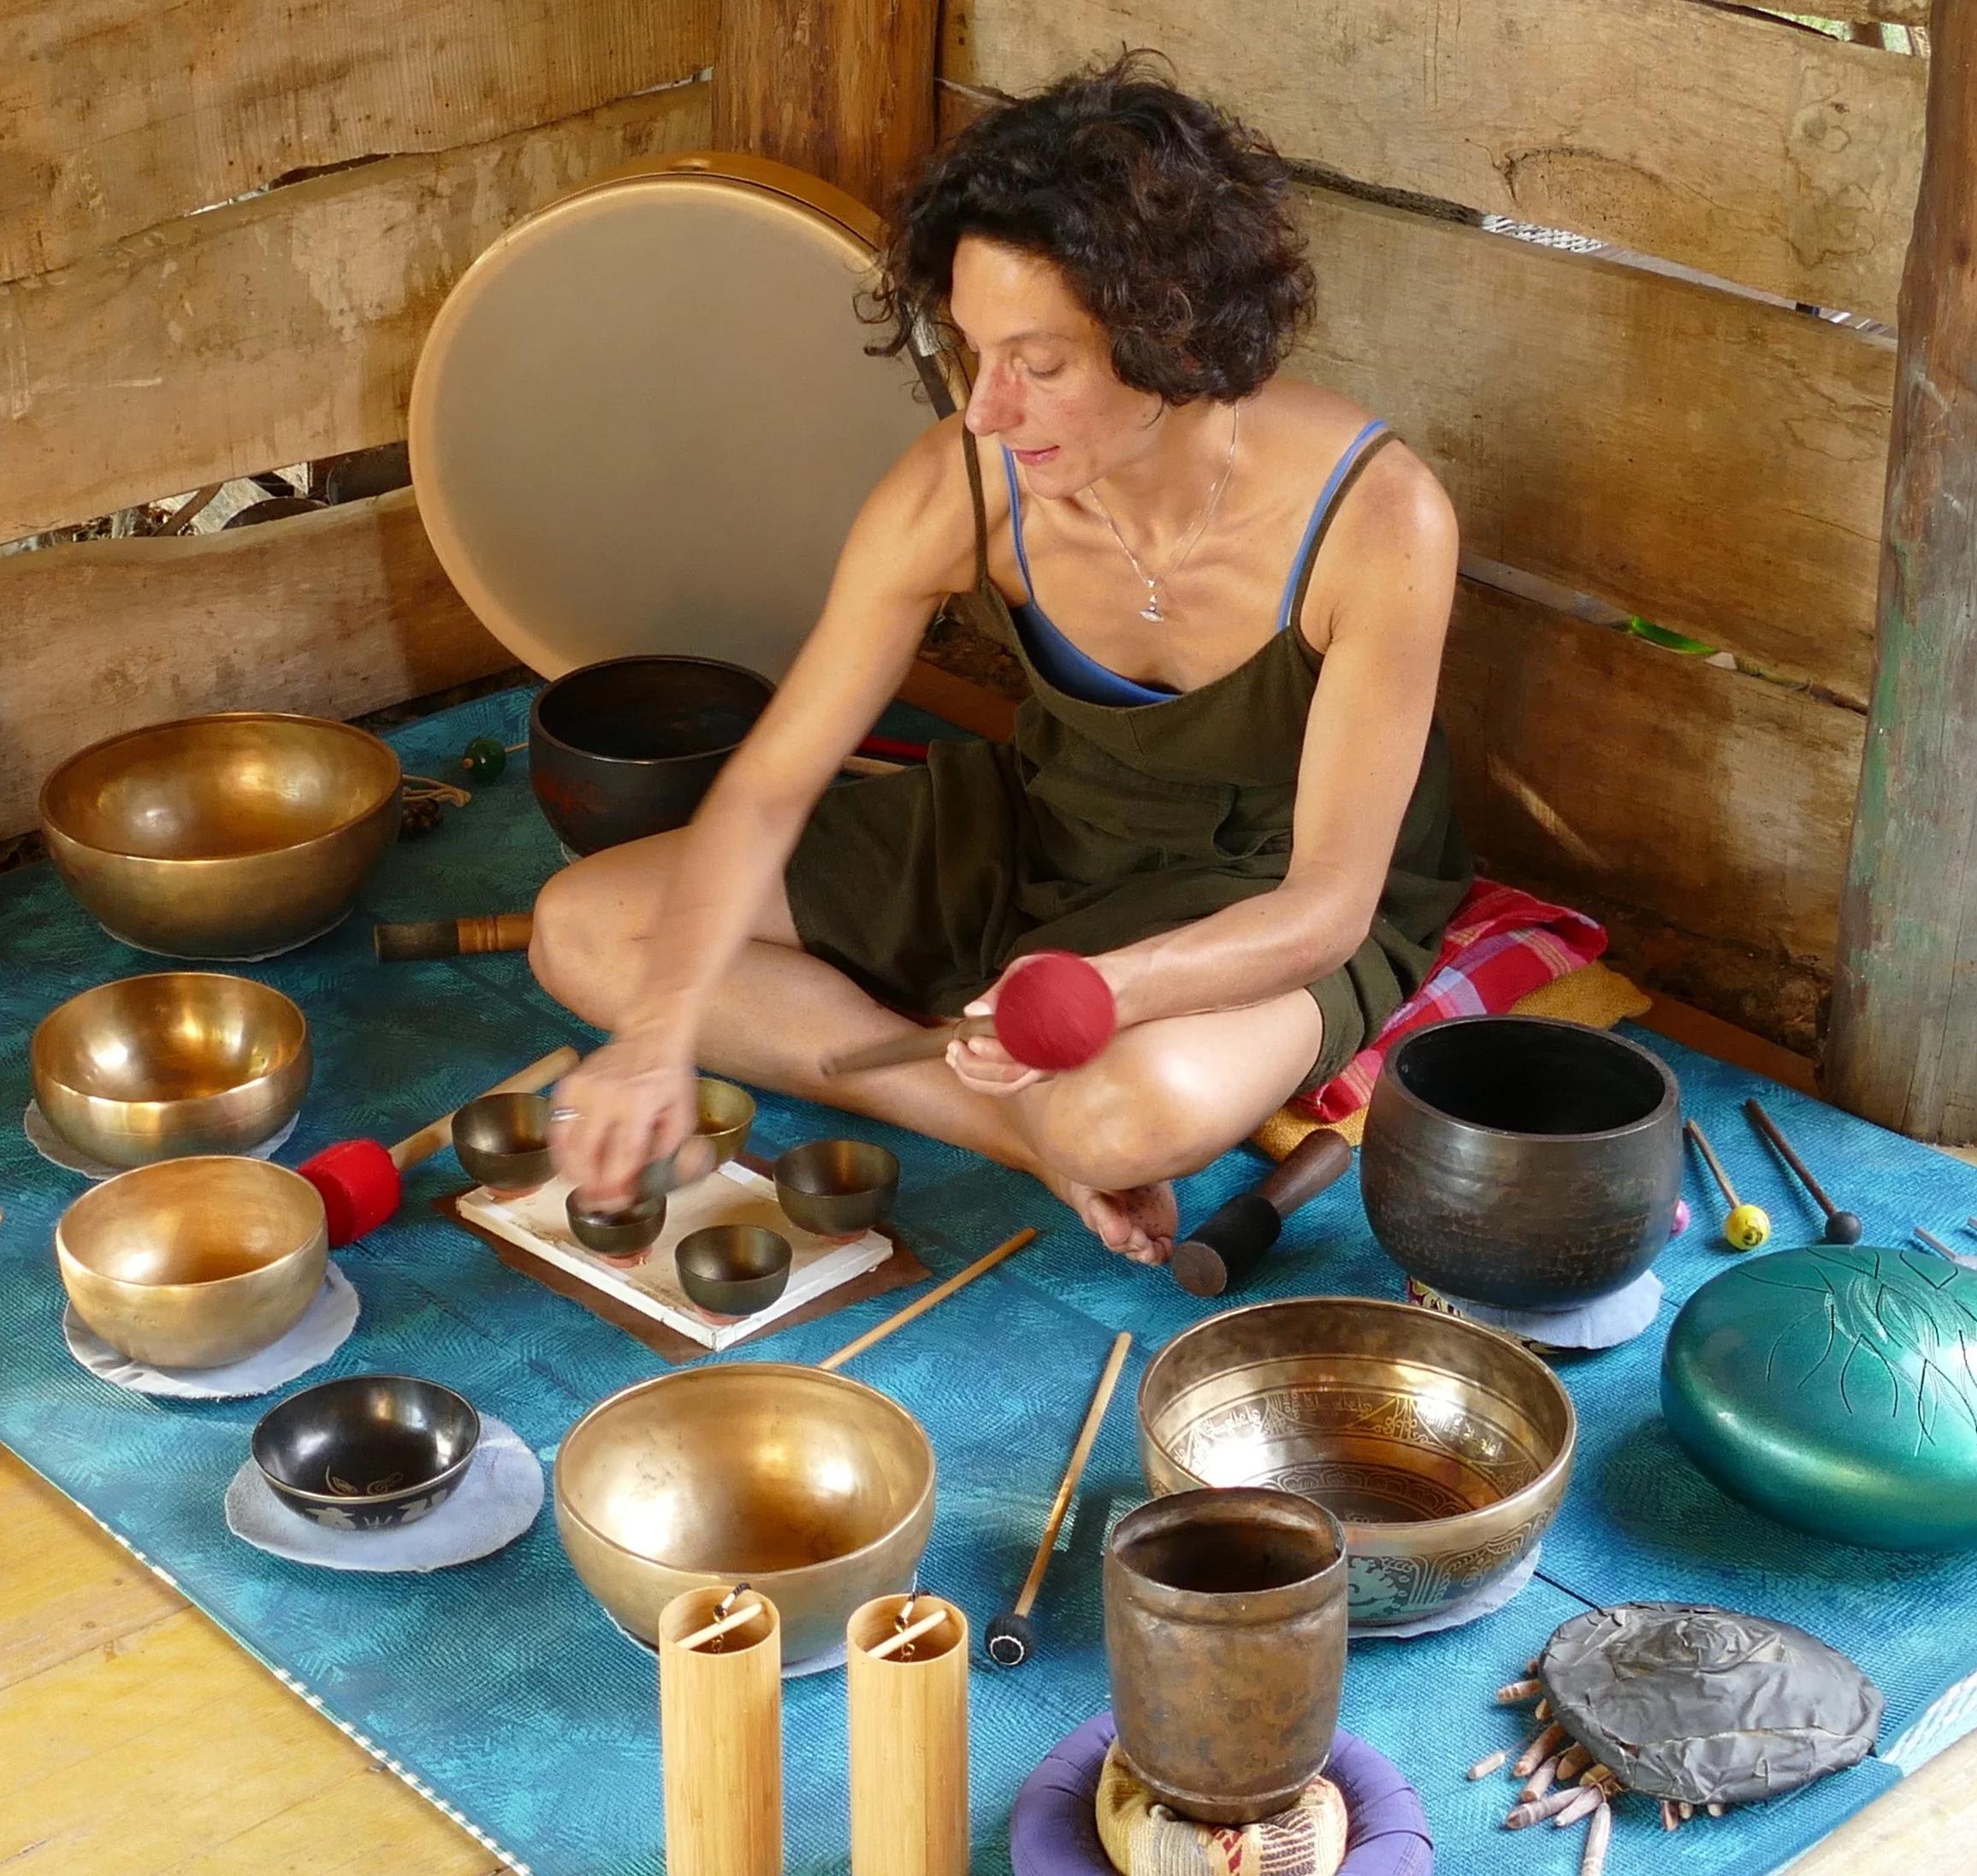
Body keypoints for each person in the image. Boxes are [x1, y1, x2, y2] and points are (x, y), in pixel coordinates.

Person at [531, 56, 1471, 1265]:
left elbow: (1327, 906)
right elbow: (770, 784)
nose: (986, 409)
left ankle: (1071, 1124)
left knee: (1127, 1112)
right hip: (1048, 819)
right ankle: (1029, 1141)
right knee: (586, 929)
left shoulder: (1379, 521)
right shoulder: (960, 488)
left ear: (1170, 338)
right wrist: (660, 1034)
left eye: (1040, 364)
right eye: (976, 353)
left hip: (1264, 888)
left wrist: (1098, 998)